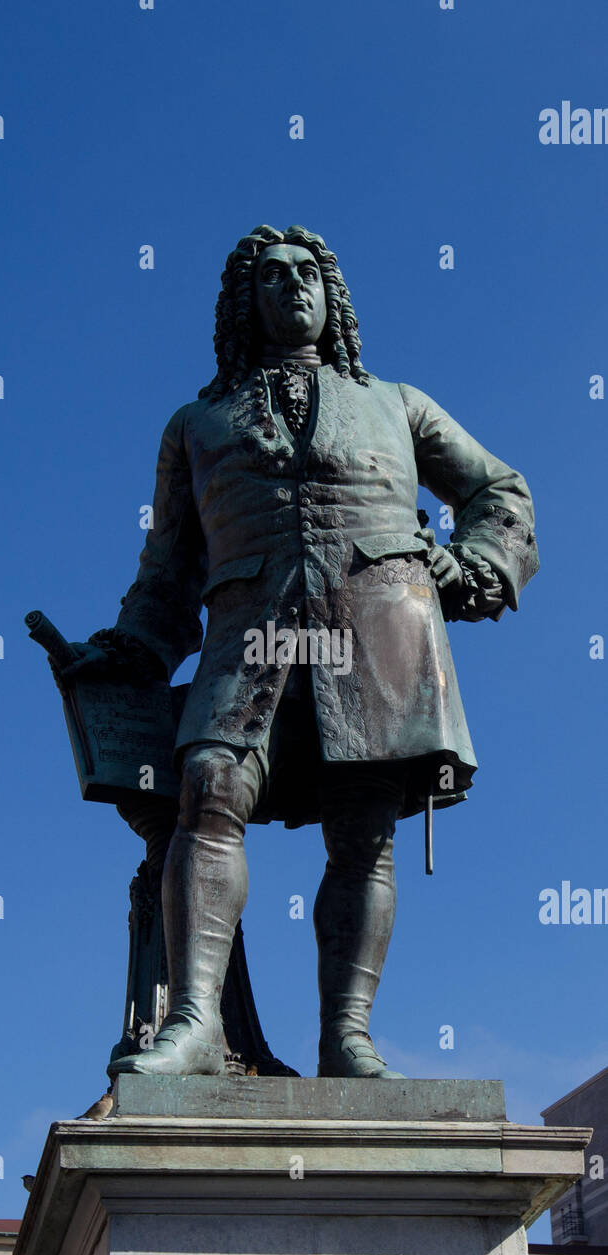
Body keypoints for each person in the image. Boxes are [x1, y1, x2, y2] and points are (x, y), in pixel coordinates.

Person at [65, 225, 539, 1079]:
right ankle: (197, 1024)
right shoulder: (197, 424)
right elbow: (167, 574)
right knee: (209, 787)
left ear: (334, 295)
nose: (294, 286)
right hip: (249, 633)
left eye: (309, 273)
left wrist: (473, 566)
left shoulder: (399, 403)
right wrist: (126, 651)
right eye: (274, 276)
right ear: (245, 303)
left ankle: (346, 1036)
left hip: (378, 631)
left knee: (364, 831)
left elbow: (499, 489)